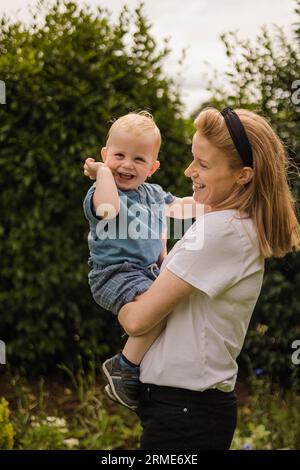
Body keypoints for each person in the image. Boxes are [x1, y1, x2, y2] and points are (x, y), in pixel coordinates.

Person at [116, 107, 300, 450]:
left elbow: (138, 320)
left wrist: (109, 279)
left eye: (203, 164)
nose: (190, 171)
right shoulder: (232, 225)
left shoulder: (222, 231)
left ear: (243, 175)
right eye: (192, 159)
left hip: (185, 414)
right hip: (186, 410)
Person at [83, 111, 203, 410]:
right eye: (119, 155)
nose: (126, 164)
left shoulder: (152, 193)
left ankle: (143, 366)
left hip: (146, 272)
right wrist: (103, 174)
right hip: (115, 273)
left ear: (153, 167)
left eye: (138, 159)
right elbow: (108, 208)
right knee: (157, 306)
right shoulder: (102, 190)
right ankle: (123, 365)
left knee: (171, 309)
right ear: (104, 155)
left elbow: (181, 207)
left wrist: (213, 204)